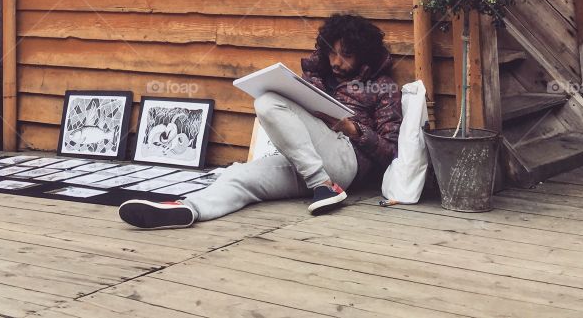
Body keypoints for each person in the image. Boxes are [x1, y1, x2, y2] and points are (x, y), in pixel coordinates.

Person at [119, 12, 402, 229]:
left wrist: (354, 129)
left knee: (267, 101)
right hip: (305, 162)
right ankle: (188, 209)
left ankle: (323, 185)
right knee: (240, 176)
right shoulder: (316, 77)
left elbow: (391, 151)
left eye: (346, 55)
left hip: (345, 163)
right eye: (331, 53)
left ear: (363, 55)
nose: (336, 62)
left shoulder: (383, 86)